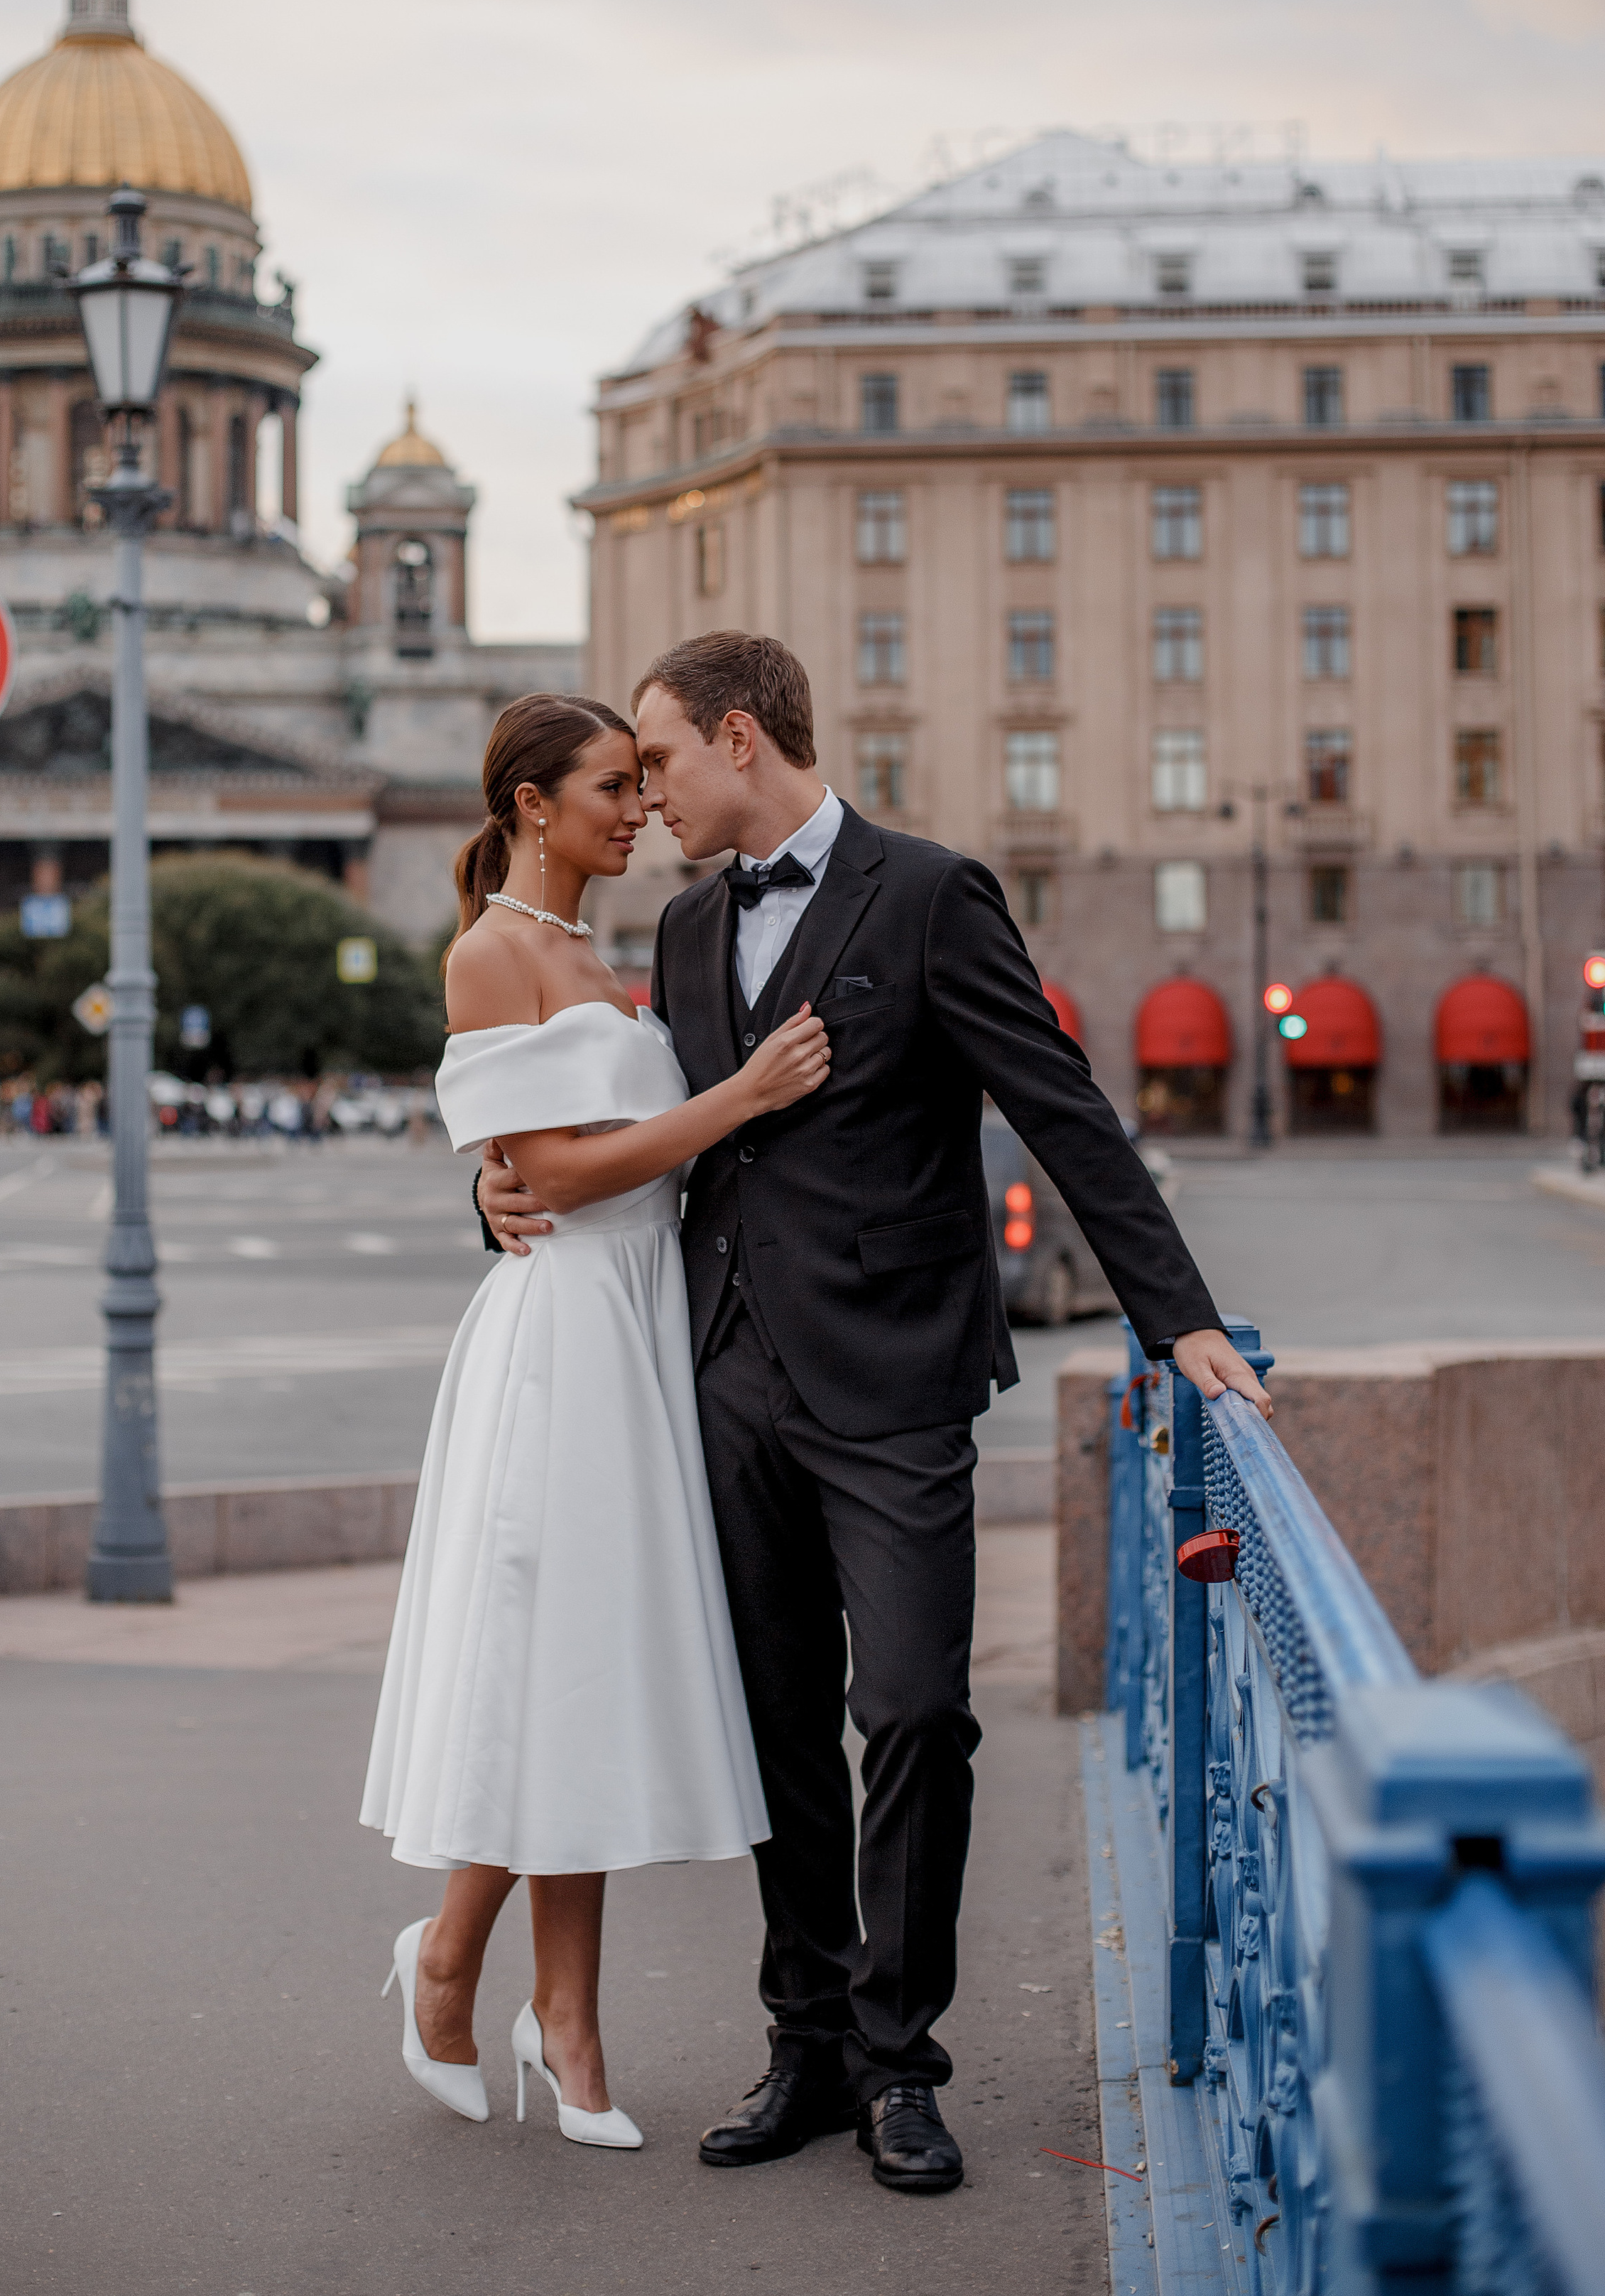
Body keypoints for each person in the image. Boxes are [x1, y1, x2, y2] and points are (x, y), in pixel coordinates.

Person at [479, 632, 1268, 2195]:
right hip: (725, 1380)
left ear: (736, 740)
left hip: (895, 1384)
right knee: (775, 1732)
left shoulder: (926, 893)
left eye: (658, 765)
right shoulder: (693, 926)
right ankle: (812, 2046)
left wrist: (1169, 1313)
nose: (646, 797)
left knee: (910, 1713)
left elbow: (1058, 1108)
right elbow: (624, 1134)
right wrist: (493, 1187)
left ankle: (905, 2064)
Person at [360, 690, 834, 2152]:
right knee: (537, 1672)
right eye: (611, 788)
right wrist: (739, 1098)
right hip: (561, 1345)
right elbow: (552, 1174)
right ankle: (456, 1969)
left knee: (587, 1689)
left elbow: (562, 1165)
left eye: (641, 783)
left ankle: (553, 2015)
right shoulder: (492, 952)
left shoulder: (590, 949)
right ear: (530, 808)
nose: (638, 809)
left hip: (637, 1335)